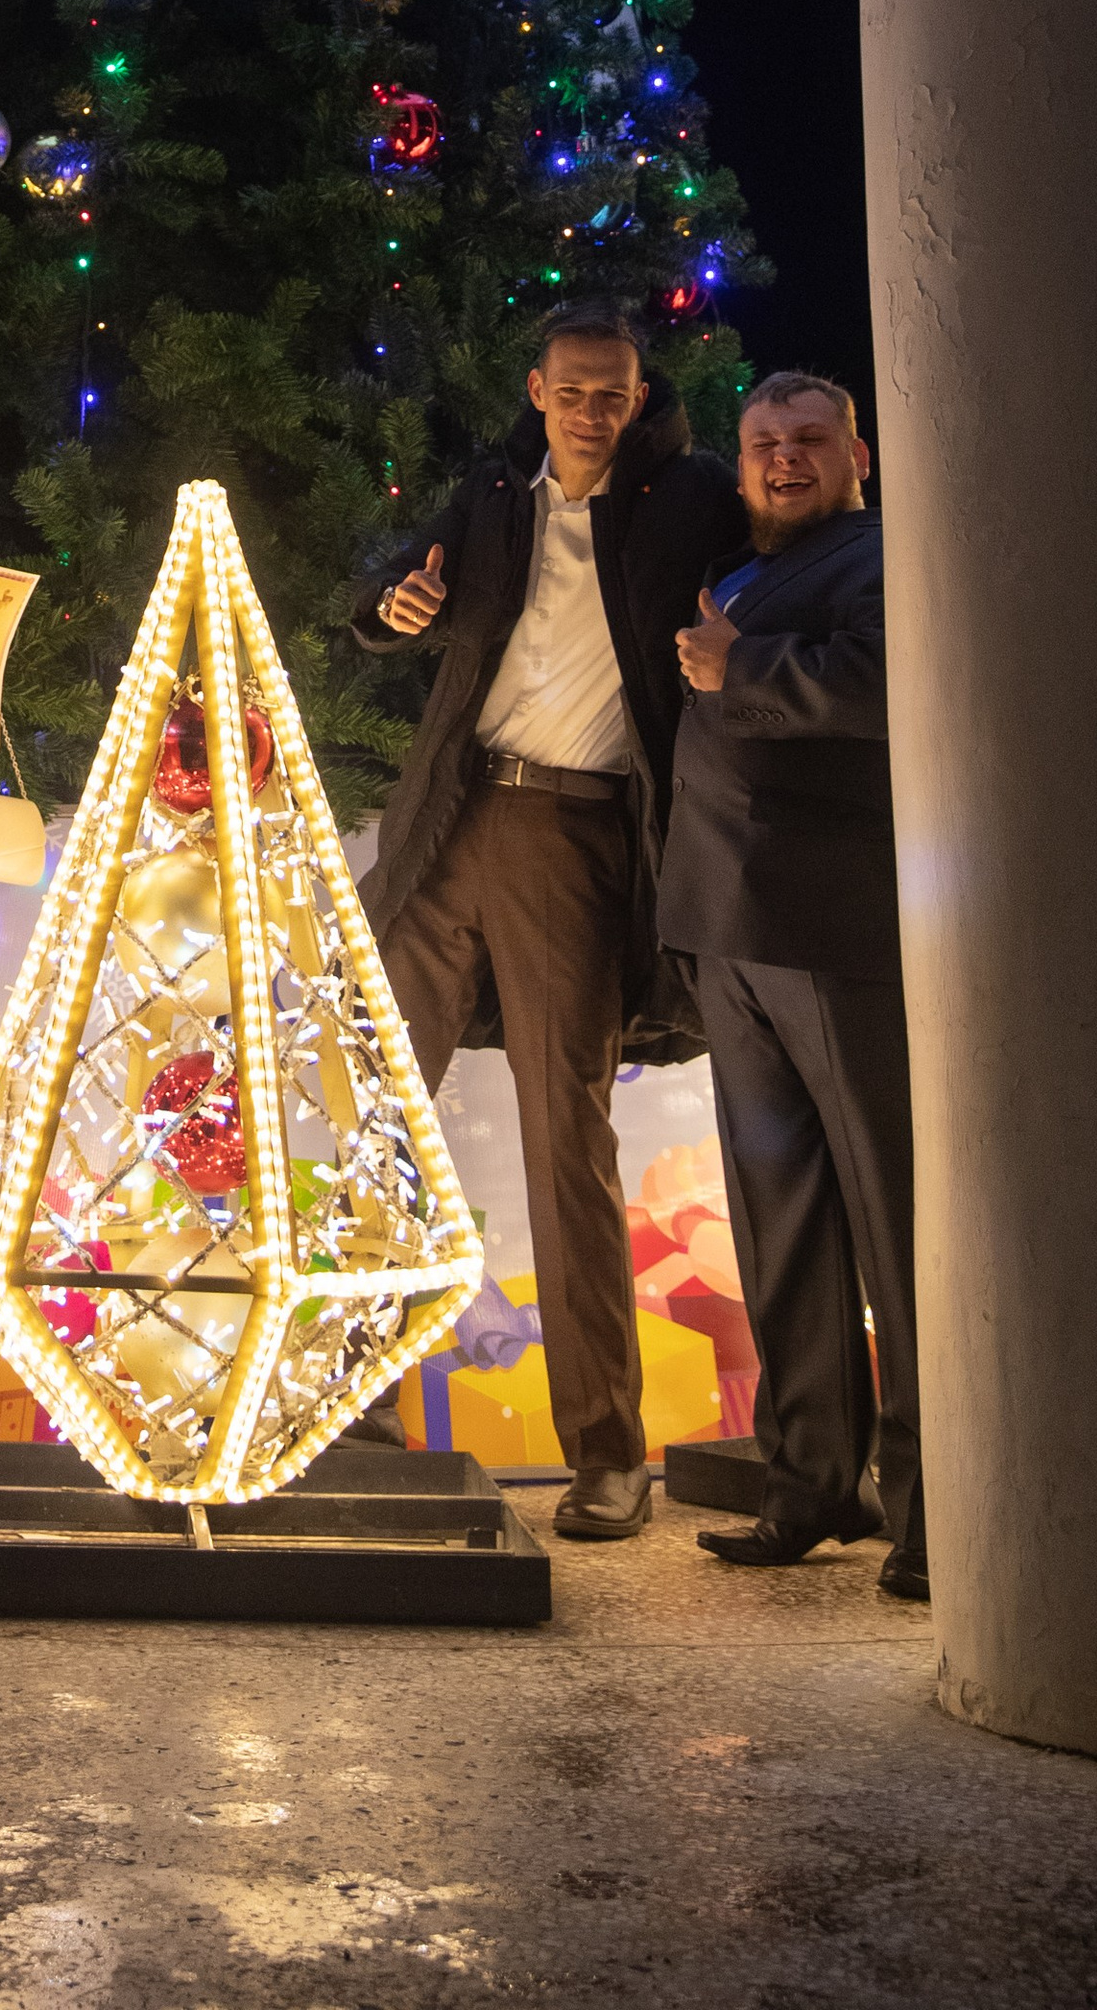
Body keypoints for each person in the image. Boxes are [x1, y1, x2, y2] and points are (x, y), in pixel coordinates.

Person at [353, 304, 743, 1537]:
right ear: (535, 389)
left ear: (637, 399)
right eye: (570, 390)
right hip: (444, 826)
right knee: (379, 1114)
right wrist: (388, 611)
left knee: (564, 1137)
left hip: (574, 839)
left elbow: (767, 568)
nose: (588, 409)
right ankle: (353, 1410)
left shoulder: (685, 503)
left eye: (611, 393)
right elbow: (388, 594)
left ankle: (606, 1454)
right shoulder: (492, 497)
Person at [665, 370, 924, 1601]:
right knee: (781, 1227)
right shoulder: (739, 565)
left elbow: (898, 685)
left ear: (855, 454)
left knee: (895, 1226)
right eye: (763, 442)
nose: (783, 459)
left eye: (809, 440)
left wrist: (743, 663)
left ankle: (933, 1515)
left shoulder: (884, 555)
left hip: (837, 933)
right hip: (730, 933)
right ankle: (810, 1484)